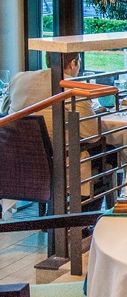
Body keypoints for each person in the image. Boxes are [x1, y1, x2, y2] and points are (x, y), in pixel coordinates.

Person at [1, 53, 104, 208]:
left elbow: (5, 110)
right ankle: (85, 222)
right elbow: (92, 135)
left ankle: (56, 218)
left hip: (19, 156)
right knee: (108, 153)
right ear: (72, 64)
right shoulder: (72, 86)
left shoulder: (19, 78)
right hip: (60, 158)